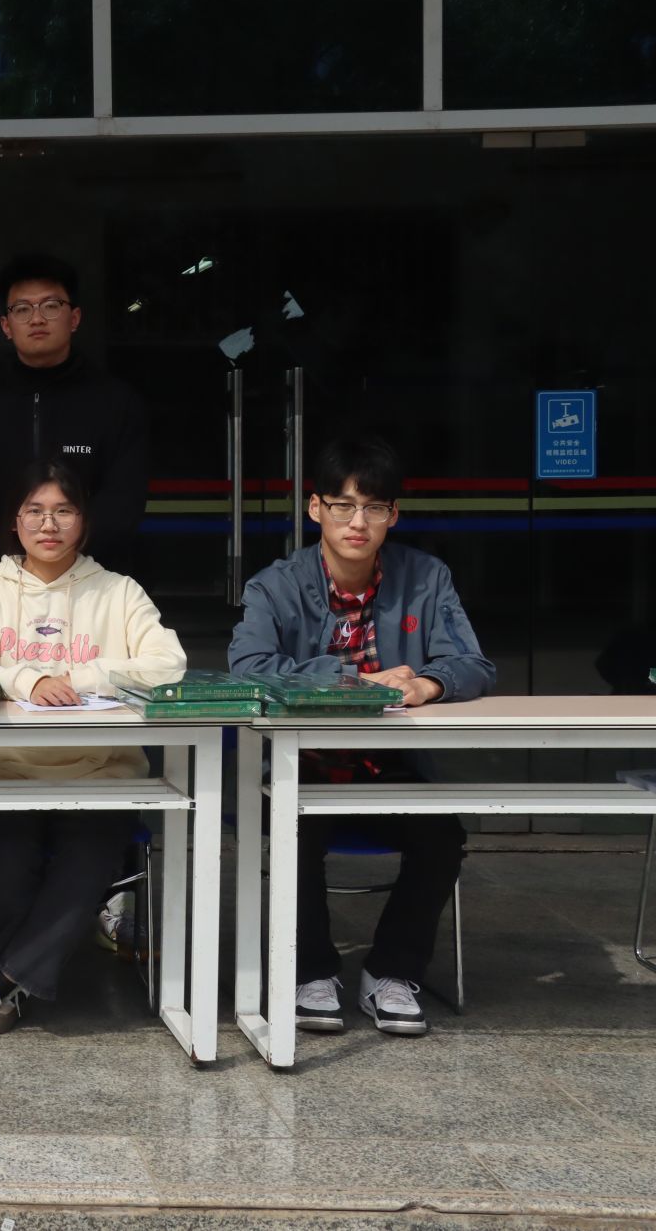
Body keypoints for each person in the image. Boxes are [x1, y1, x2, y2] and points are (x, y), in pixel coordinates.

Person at [230, 436, 495, 1037]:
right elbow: (248, 667)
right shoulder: (274, 586)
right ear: (315, 508)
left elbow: (473, 662)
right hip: (302, 763)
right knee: (293, 829)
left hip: (391, 764)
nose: (358, 522)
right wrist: (356, 681)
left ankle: (392, 972)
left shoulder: (426, 577)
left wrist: (428, 683)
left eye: (374, 507)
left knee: (441, 835)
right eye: (343, 505)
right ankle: (310, 972)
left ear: (393, 514)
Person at [0, 459, 186, 1037]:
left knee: (88, 857)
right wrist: (27, 680)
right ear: (14, 521)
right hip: (2, 773)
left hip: (102, 774)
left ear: (84, 521)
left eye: (64, 511)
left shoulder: (119, 591)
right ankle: (7, 984)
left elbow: (168, 664)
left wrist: (83, 677)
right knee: (7, 860)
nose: (49, 524)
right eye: (35, 511)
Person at [0, 253, 147, 579]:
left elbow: (124, 500)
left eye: (51, 306)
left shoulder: (116, 403)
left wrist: (68, 561)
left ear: (74, 318)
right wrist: (5, 566)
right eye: (22, 309)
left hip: (92, 580)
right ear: (6, 326)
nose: (37, 319)